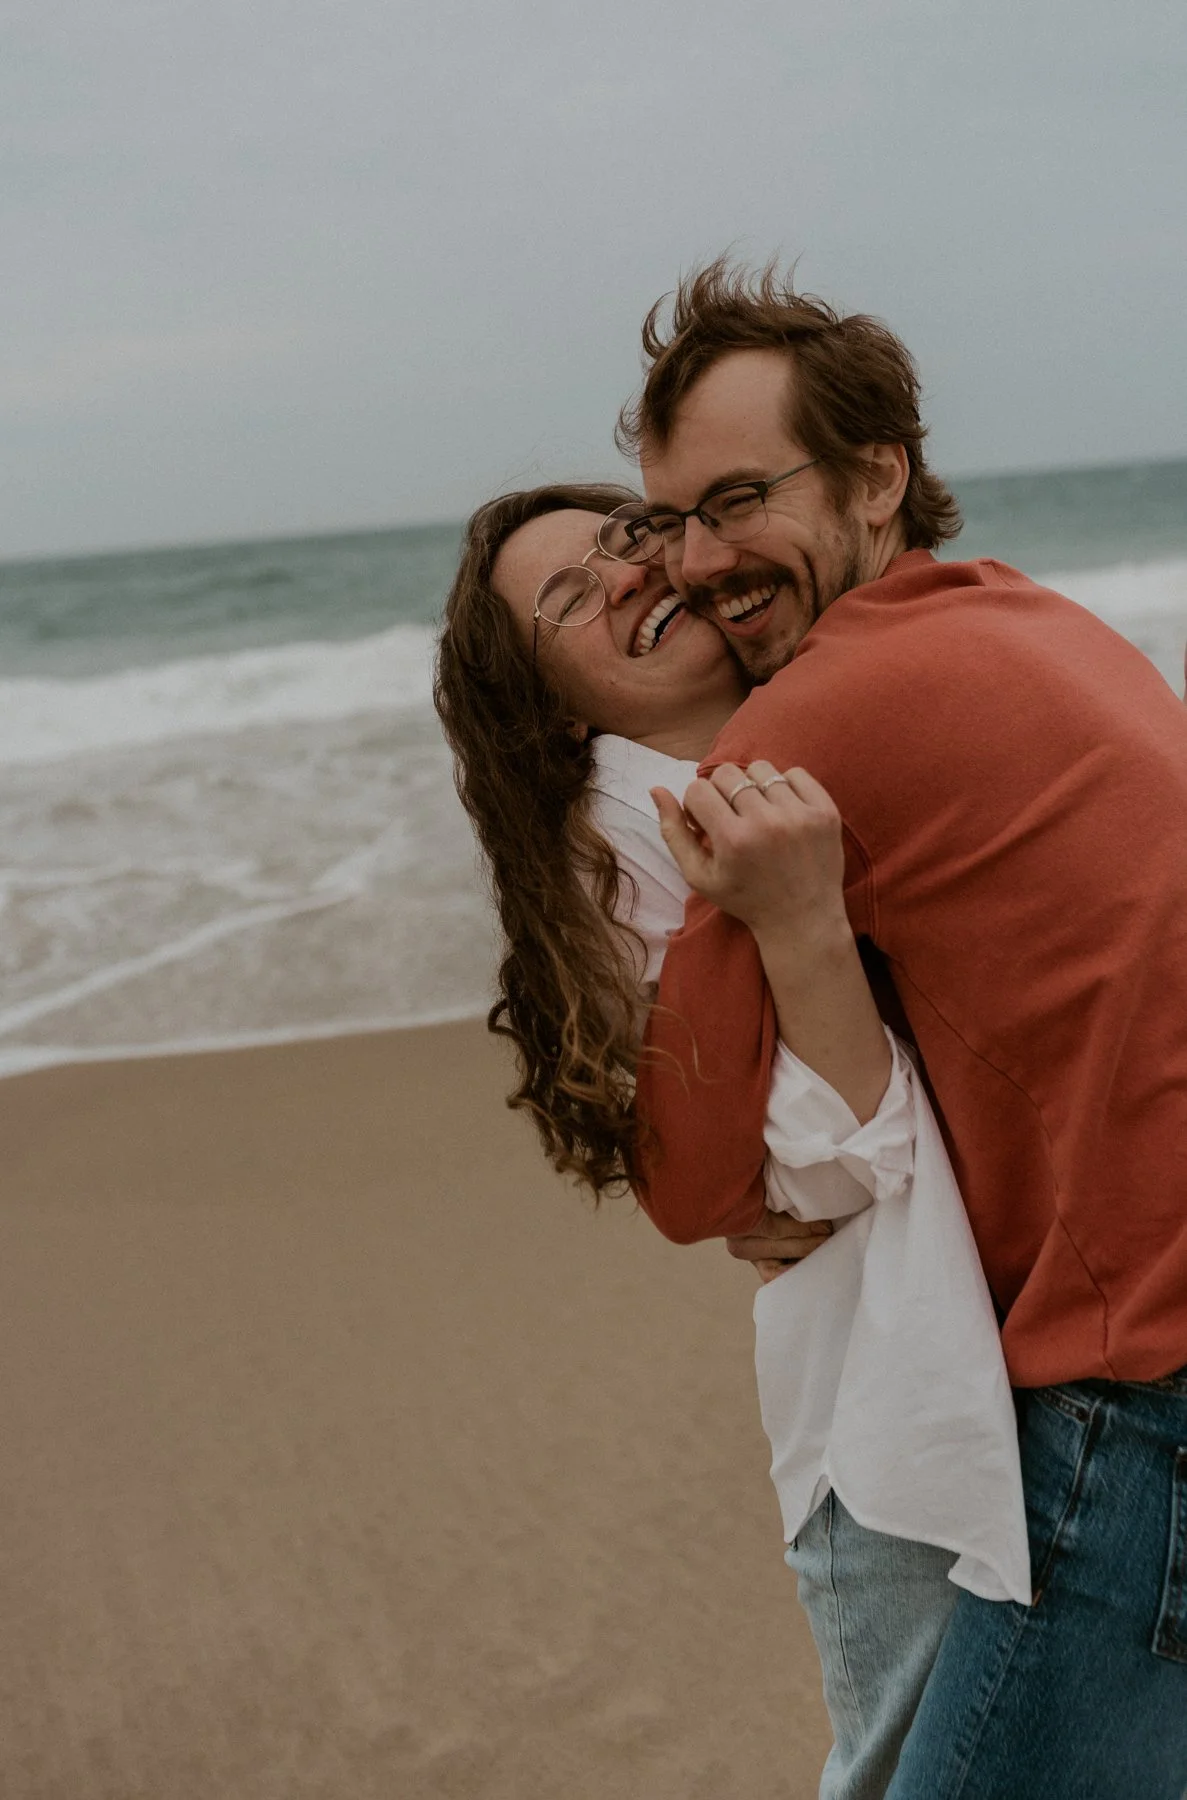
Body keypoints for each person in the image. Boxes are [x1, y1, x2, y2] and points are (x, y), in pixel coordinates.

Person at [615, 257, 1187, 1797]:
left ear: (877, 477)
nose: (697, 561)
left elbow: (684, 1175)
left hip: (1144, 1390)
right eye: (668, 520)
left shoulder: (814, 717)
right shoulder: (1031, 617)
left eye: (740, 500)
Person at [434, 484, 1030, 1800]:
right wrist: (798, 923)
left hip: (1013, 1346)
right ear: (545, 701)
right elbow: (814, 1171)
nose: (626, 576)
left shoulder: (815, 729)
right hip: (887, 1392)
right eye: (567, 597)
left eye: (626, 538)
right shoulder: (620, 839)